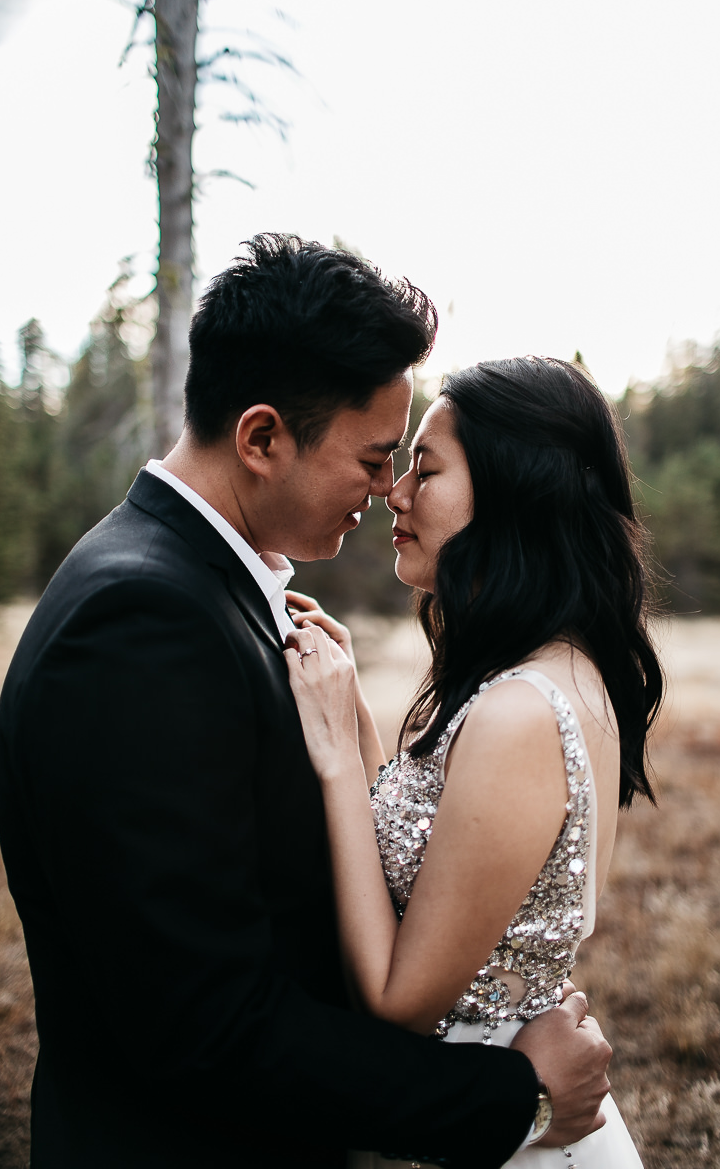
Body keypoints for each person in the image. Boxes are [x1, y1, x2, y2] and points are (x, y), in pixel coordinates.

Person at [0, 240, 611, 1169]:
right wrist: (510, 1099)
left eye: (405, 464)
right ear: (262, 438)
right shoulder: (140, 623)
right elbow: (205, 1025)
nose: (384, 490)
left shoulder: (212, 593)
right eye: (370, 459)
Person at [285, 355, 664, 1167]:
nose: (396, 491)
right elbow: (424, 844)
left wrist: (334, 763)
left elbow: (397, 1004)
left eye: (426, 468)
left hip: (503, 1128)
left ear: (512, 492)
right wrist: (349, 707)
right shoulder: (545, 671)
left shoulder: (519, 713)